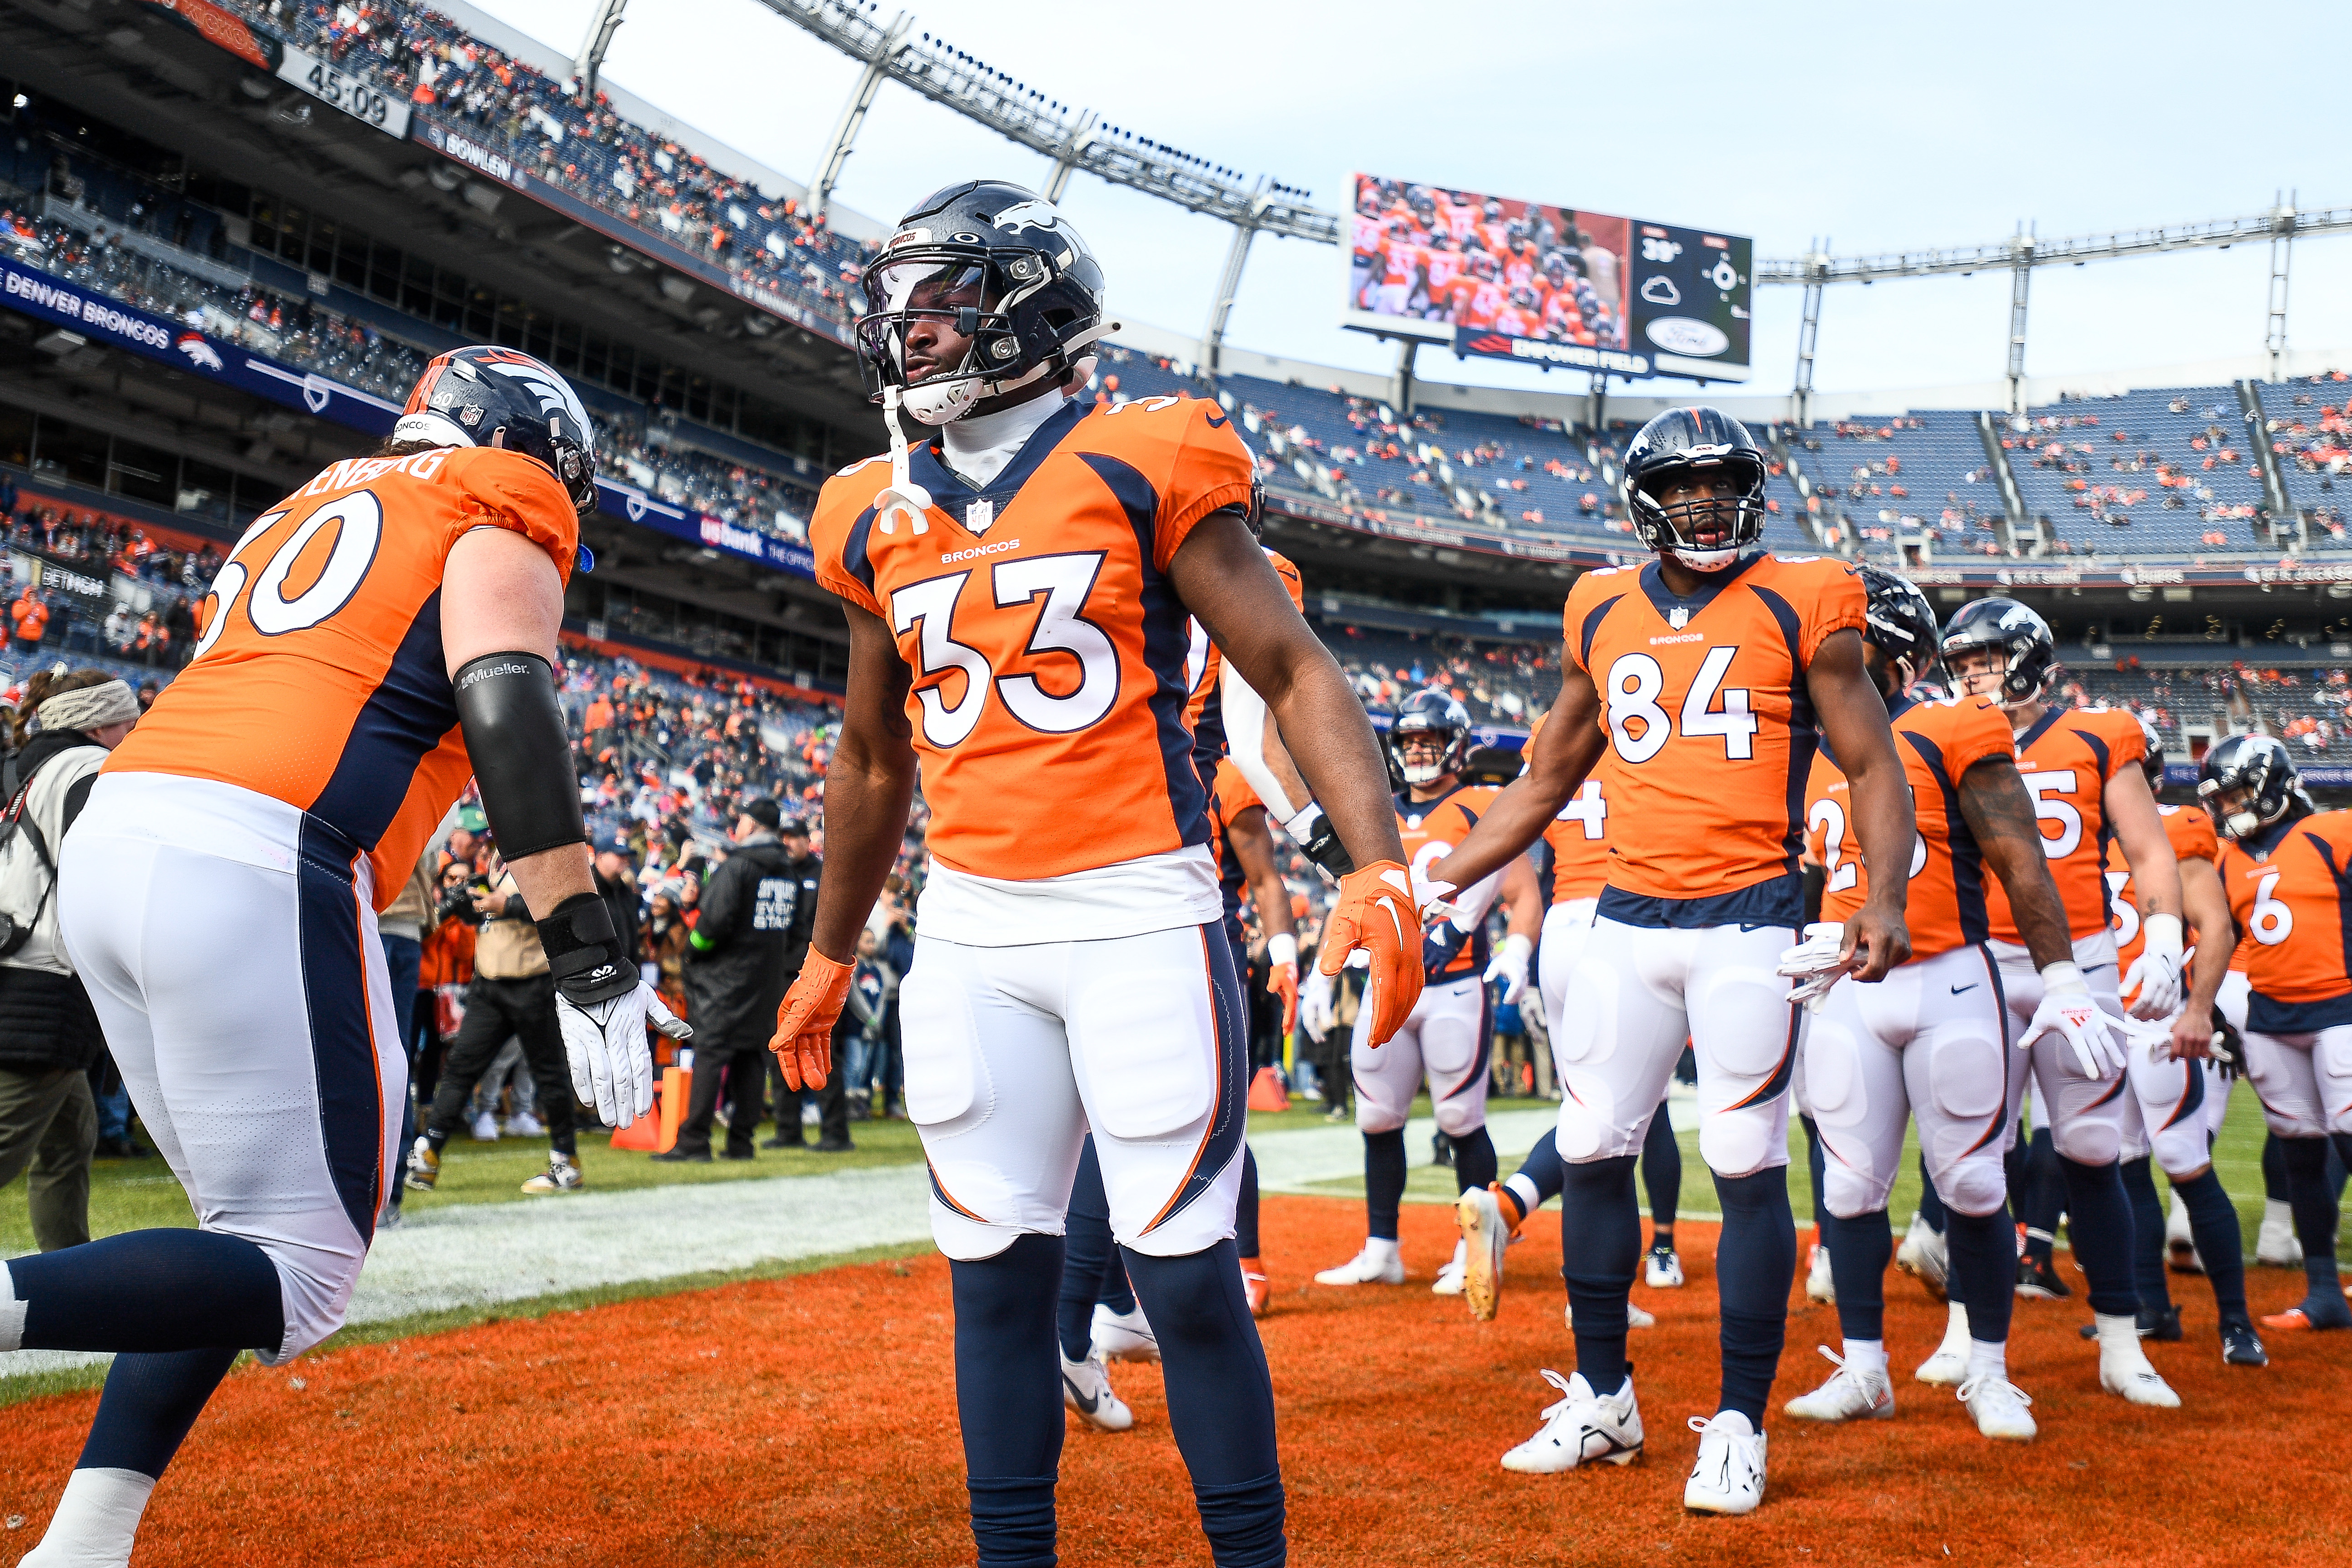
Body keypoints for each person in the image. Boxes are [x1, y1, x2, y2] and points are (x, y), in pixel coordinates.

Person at [769, 180, 1420, 1568]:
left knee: (1185, 1281)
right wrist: (833, 949)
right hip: (972, 932)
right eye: (903, 305)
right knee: (993, 1285)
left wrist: (1384, 866)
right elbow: (874, 755)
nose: (910, 330)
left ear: (1027, 308)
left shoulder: (1142, 451)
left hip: (1139, 911)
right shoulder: (870, 505)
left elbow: (1292, 665)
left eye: (940, 299)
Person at [9, 344, 683, 1568]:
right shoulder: (495, 502)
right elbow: (505, 698)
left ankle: (84, 1538)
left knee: (232, 1239)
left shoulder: (308, 505)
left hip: (128, 830)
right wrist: (590, 958)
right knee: (301, 1273)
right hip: (261, 846)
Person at [1421, 407, 1915, 1515]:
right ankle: (1603, 1396)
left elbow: (1874, 765)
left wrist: (1877, 898)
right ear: (1646, 498)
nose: (1701, 502)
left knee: (1742, 1159)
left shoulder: (1808, 595)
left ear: (1751, 490)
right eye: (1681, 484)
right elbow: (1545, 780)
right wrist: (1438, 876)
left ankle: (1738, 1423)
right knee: (1593, 1146)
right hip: (1623, 924)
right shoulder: (1596, 603)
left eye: (1720, 481)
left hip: (1750, 922)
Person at [1771, 568, 2088, 1439]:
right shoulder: (1812, 750)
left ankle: (1987, 1368)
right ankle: (1865, 1367)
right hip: (1846, 991)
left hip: (1949, 979)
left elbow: (2022, 859)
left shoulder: (1954, 722)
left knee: (1977, 1185)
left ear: (1894, 653)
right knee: (1849, 1188)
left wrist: (2061, 977)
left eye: (1845, 638)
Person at [1937, 597, 2186, 1409]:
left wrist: (2159, 935)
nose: (1973, 674)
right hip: (1976, 959)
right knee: (1974, 1152)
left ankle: (2120, 1340)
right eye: (1963, 663)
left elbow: (2147, 846)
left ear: (2032, 658)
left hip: (2078, 959)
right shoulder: (1949, 736)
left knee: (2088, 1145)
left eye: (1986, 659)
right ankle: (1964, 1337)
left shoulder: (2097, 733)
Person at [1316, 692, 1540, 1295]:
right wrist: (1321, 971)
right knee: (1377, 1117)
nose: (1419, 749)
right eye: (1410, 739)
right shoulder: (1376, 813)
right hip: (1385, 985)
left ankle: (1475, 1247)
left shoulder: (1477, 806)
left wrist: (1517, 949)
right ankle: (1382, 1247)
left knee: (1460, 1117)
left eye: (1431, 739)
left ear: (1456, 744)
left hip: (1456, 982)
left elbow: (1522, 893)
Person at [2093, 719, 2262, 1364]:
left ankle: (2236, 1322)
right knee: (2125, 1166)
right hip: (2107, 1021)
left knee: (2185, 1162)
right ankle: (2150, 1306)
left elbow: (2216, 925)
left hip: (2162, 1020)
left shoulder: (2178, 825)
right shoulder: (2075, 832)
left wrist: (2198, 1009)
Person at [2178, 736, 2352, 1334]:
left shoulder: (2335, 830)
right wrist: (2210, 1011)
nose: (2227, 807)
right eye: (2218, 798)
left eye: (2233, 793)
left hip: (2341, 1009)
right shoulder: (2226, 858)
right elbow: (2214, 937)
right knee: (2302, 1157)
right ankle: (2325, 1291)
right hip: (2272, 1018)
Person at [0, 673, 140, 1253]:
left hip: (16, 967)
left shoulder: (21, 767)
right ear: (99, 723)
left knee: (69, 1139)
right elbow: (107, 876)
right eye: (128, 722)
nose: (135, 732)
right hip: (46, 986)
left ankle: (71, 1277)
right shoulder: (88, 767)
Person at [662, 797, 797, 1162]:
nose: (736, 827)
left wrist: (692, 949)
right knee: (751, 1059)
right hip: (765, 978)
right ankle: (740, 1142)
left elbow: (714, 924)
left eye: (740, 821)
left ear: (751, 825)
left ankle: (694, 1142)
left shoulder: (739, 867)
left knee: (711, 1054)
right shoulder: (786, 870)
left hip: (726, 979)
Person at [761, 818, 824, 1149]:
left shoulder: (822, 873)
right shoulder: (779, 873)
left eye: (793, 837)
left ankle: (835, 1132)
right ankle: (789, 1131)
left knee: (822, 1050)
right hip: (782, 972)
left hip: (814, 973)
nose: (788, 844)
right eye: (783, 837)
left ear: (806, 840)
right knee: (782, 1048)